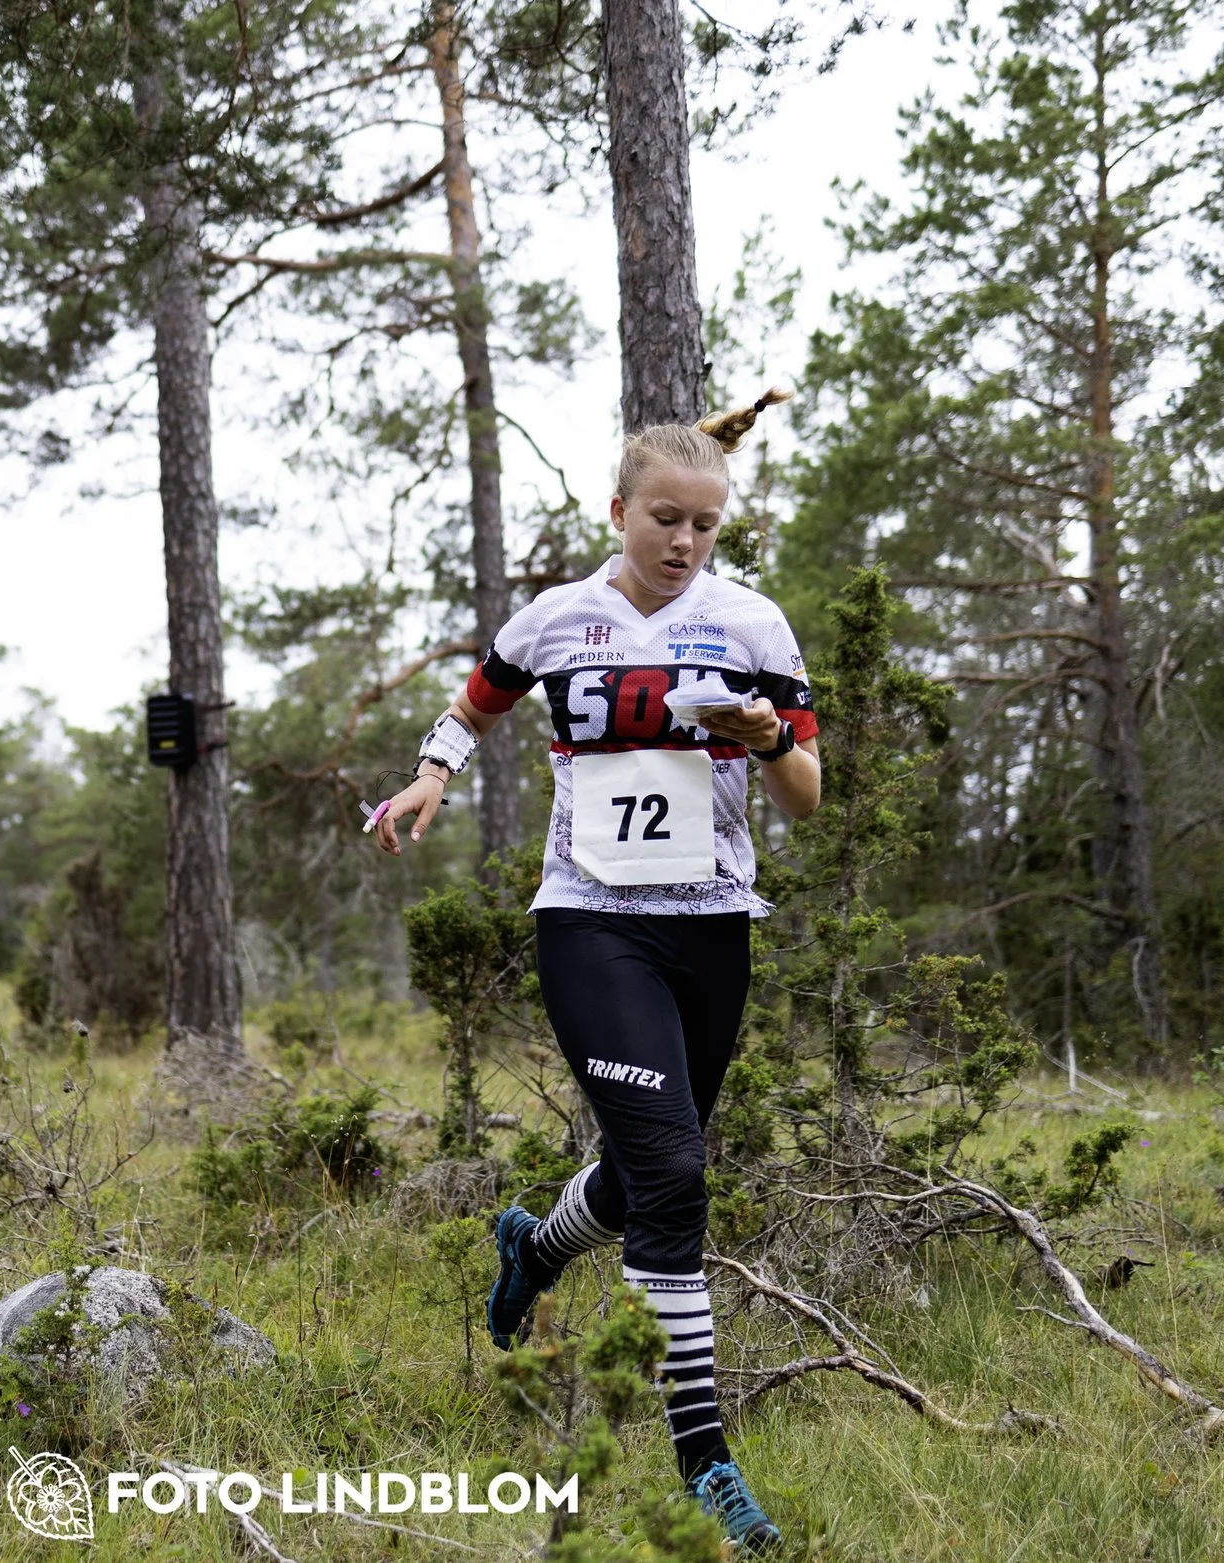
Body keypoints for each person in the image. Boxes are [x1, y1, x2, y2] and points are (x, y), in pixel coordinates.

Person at [372, 396, 819, 1554]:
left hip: (712, 926)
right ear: (618, 511)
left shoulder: (752, 625)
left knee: (642, 1168)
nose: (684, 542)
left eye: (705, 526)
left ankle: (534, 1246)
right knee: (672, 1170)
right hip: (590, 920)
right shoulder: (558, 618)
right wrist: (431, 774)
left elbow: (808, 795)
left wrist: (769, 741)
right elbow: (478, 701)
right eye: (664, 519)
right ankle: (705, 1462)